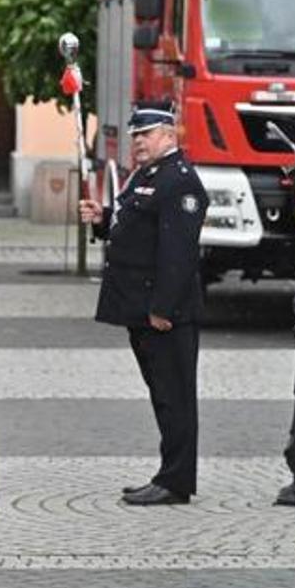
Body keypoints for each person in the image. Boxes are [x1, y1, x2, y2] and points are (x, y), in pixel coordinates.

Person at [78, 103, 207, 506]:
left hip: (164, 314)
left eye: (145, 134)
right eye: (135, 135)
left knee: (175, 397)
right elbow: (135, 225)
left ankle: (176, 481)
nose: (137, 142)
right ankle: (169, 474)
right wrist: (103, 218)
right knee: (162, 395)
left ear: (168, 135)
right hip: (141, 307)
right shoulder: (148, 176)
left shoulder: (179, 181)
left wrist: (163, 308)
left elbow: (178, 253)